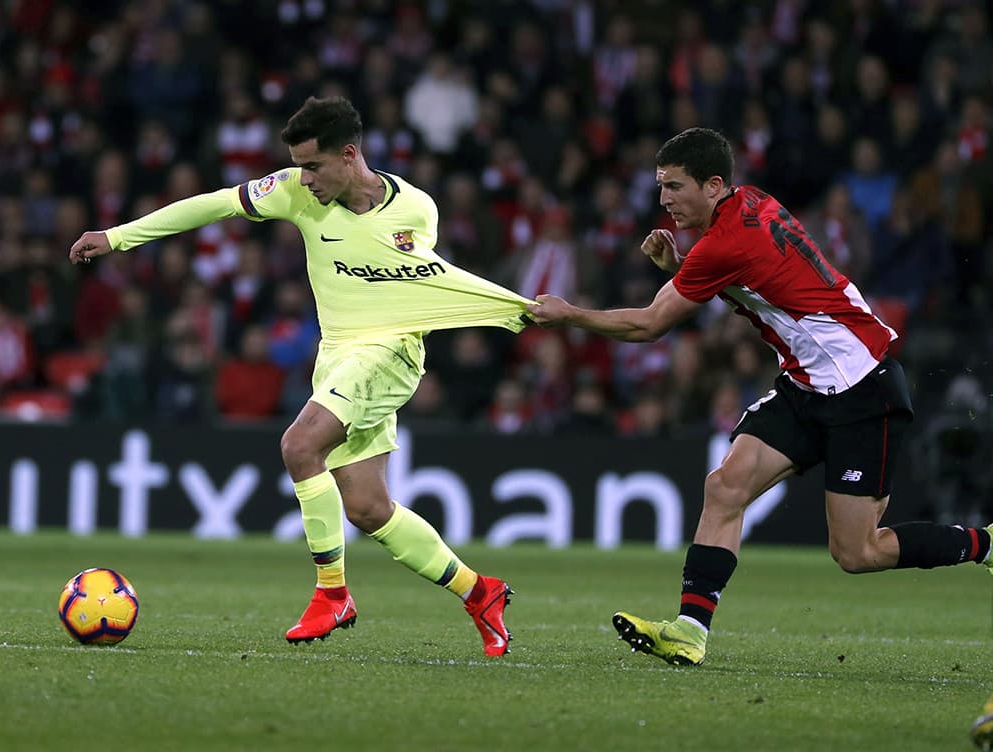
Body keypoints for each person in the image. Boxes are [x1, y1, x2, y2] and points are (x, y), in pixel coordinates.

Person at [69, 96, 530, 656]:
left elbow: (421, 289)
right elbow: (214, 204)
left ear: (349, 155)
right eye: (298, 166)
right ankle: (479, 591)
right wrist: (119, 236)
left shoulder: (416, 210)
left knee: (299, 446)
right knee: (366, 507)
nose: (302, 178)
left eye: (312, 166)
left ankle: (332, 594)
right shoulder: (293, 190)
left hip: (388, 353)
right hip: (339, 357)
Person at [528, 127, 992, 666]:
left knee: (858, 552)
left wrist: (570, 315)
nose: (663, 200)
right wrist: (681, 269)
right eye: (660, 186)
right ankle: (689, 630)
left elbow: (649, 325)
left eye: (675, 187)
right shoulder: (752, 205)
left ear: (714, 185)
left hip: (863, 389)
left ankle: (983, 544)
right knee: (725, 487)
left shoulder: (725, 243)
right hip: (806, 386)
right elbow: (758, 285)